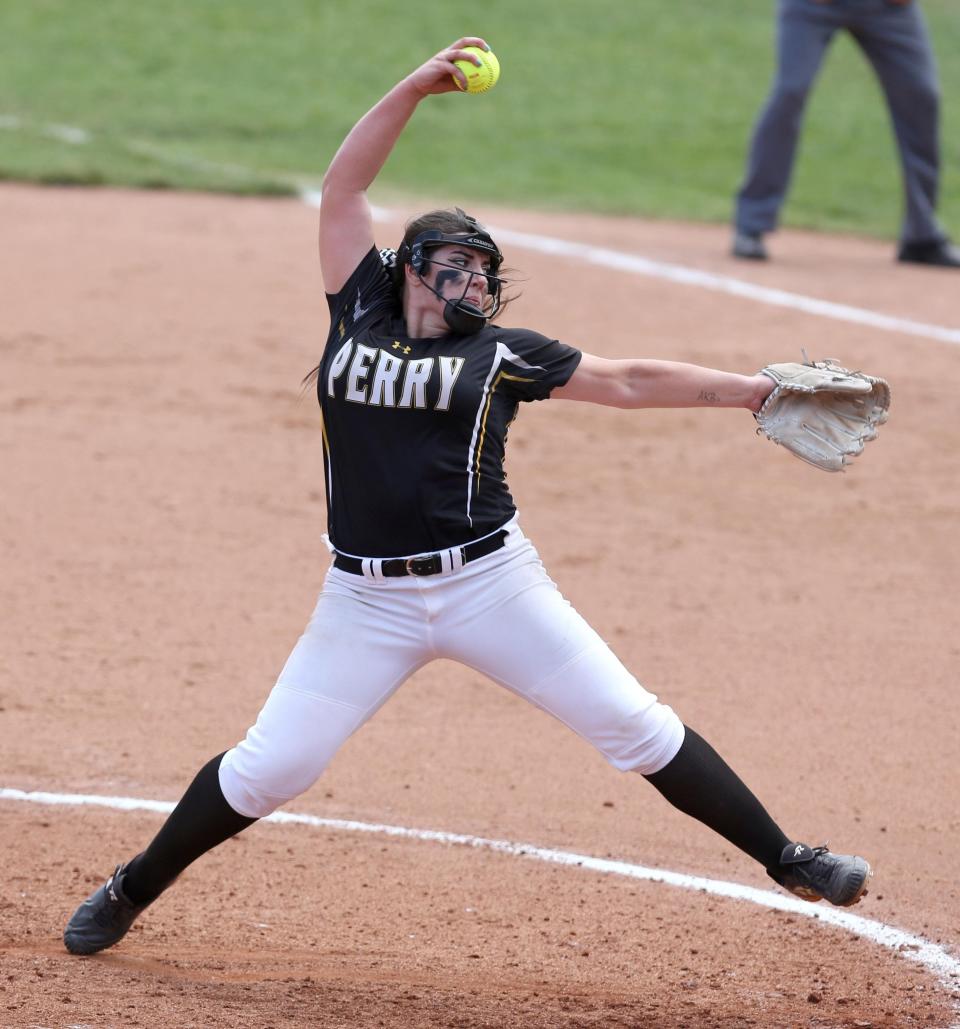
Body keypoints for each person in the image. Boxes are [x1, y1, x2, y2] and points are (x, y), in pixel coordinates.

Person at [64, 38, 872, 958]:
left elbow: (630, 380)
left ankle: (789, 856)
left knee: (632, 723)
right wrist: (414, 86)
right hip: (365, 597)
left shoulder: (502, 353)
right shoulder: (357, 303)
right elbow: (343, 191)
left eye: (487, 272)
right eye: (459, 263)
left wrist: (755, 390)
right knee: (274, 764)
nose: (477, 281)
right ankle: (131, 886)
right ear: (411, 266)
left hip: (493, 585)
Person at [732, 0, 960, 267]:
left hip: (887, 8)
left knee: (922, 96)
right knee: (790, 92)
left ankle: (921, 236)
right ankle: (752, 223)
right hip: (813, 6)